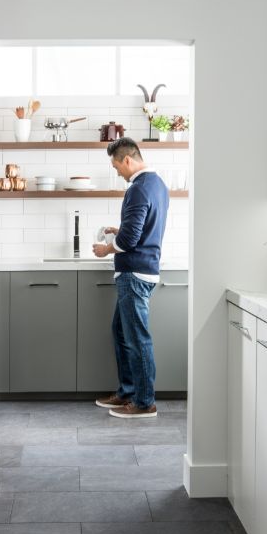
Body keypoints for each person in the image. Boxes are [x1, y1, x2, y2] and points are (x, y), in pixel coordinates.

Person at [92, 137, 170, 419]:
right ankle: (127, 391)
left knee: (137, 339)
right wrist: (121, 229)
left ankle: (144, 402)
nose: (117, 173)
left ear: (127, 159)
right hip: (143, 270)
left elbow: (130, 240)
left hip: (134, 273)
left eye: (116, 167)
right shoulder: (157, 185)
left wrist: (106, 248)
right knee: (122, 333)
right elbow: (142, 227)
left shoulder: (137, 189)